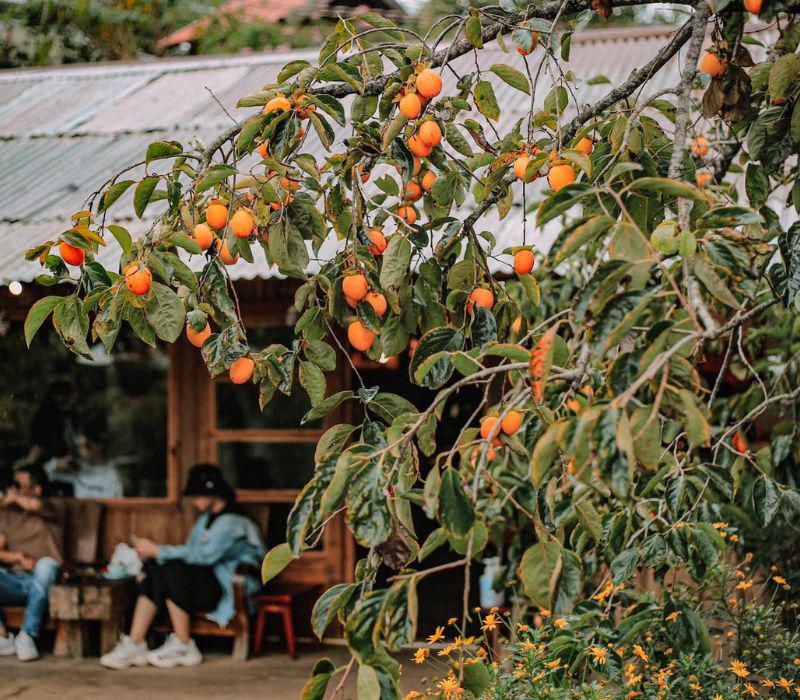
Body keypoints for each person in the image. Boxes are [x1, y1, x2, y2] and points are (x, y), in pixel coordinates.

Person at [100, 464, 265, 669]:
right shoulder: (206, 519)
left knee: (172, 570)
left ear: (213, 493)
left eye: (197, 495)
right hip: (205, 581)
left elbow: (203, 556)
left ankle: (184, 644)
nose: (194, 501)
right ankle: (135, 642)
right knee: (158, 571)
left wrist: (159, 550)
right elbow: (191, 552)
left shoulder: (233, 523)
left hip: (229, 587)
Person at [0, 465, 63, 661]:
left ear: (37, 489)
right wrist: (18, 557)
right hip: (14, 580)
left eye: (19, 484)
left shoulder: (53, 506)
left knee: (46, 564)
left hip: (45, 580)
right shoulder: (7, 513)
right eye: (13, 484)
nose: (14, 488)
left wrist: (13, 497)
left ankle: (27, 635)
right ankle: (2, 638)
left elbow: (38, 507)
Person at [44, 426, 124, 499]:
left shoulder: (113, 476)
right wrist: (57, 464)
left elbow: (118, 504)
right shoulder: (77, 469)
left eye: (87, 446)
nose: (81, 451)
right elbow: (47, 471)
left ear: (99, 446)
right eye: (79, 447)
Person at [23, 381, 79, 469]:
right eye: (62, 395)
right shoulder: (45, 417)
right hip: (50, 466)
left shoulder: (71, 416)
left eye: (71, 396)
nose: (69, 399)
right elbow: (38, 446)